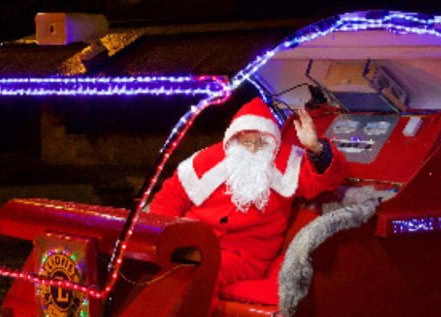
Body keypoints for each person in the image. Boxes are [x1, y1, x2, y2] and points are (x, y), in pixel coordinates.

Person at [148, 97, 347, 291]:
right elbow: (168, 199)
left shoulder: (288, 163)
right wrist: (163, 239)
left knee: (200, 275)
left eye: (260, 143)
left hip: (243, 256)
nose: (252, 148)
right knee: (148, 265)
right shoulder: (207, 159)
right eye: (245, 142)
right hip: (193, 240)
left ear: (272, 141)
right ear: (235, 138)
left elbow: (328, 180)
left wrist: (315, 148)